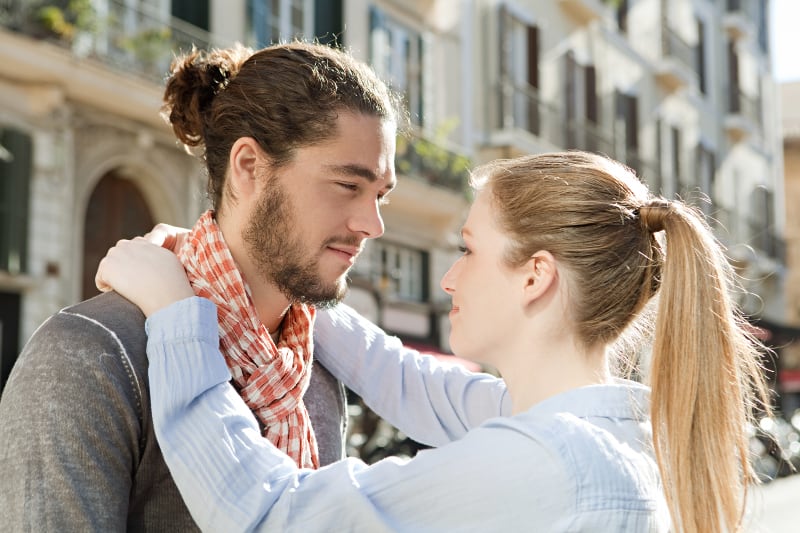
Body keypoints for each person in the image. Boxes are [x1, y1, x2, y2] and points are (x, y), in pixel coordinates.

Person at [96, 150, 771, 532]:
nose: (450, 276)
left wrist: (177, 311)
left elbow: (271, 515)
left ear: (537, 275)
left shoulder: (543, 463)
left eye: (470, 249)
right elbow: (408, 380)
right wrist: (275, 273)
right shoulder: (617, 432)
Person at [0, 41, 407, 530]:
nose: (373, 224)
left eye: (380, 195)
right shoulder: (90, 354)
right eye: (348, 185)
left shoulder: (316, 370)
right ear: (249, 167)